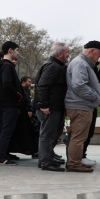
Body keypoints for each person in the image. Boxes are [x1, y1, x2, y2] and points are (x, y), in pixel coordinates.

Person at [64, 40, 100, 172]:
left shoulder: (82, 63)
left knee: (76, 136)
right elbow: (79, 85)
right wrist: (95, 96)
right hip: (80, 106)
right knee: (79, 137)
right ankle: (74, 163)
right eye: (99, 53)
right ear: (92, 51)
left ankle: (73, 161)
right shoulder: (81, 64)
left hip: (80, 105)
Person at [34, 42, 69, 172]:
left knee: (50, 134)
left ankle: (46, 158)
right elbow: (42, 86)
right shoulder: (53, 66)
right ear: (60, 54)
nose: (68, 54)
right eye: (67, 52)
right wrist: (44, 105)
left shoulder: (55, 65)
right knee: (47, 135)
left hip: (53, 106)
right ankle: (45, 161)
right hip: (49, 107)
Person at [0, 41, 23, 165]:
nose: (18, 53)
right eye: (17, 50)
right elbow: (7, 84)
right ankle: (0, 156)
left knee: (3, 129)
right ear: (10, 50)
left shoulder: (0, 65)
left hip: (2, 103)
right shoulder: (7, 66)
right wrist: (18, 95)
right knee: (7, 129)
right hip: (9, 104)